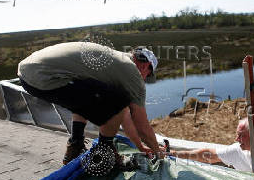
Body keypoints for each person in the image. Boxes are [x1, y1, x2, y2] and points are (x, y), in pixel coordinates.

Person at [18, 42, 163, 169]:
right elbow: (142, 126)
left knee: (93, 97)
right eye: (148, 75)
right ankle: (104, 157)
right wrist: (158, 152)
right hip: (43, 78)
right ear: (145, 66)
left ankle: (75, 146)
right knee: (114, 102)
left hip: (27, 72)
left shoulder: (117, 61)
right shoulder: (132, 73)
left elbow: (124, 115)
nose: (145, 79)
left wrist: (140, 146)